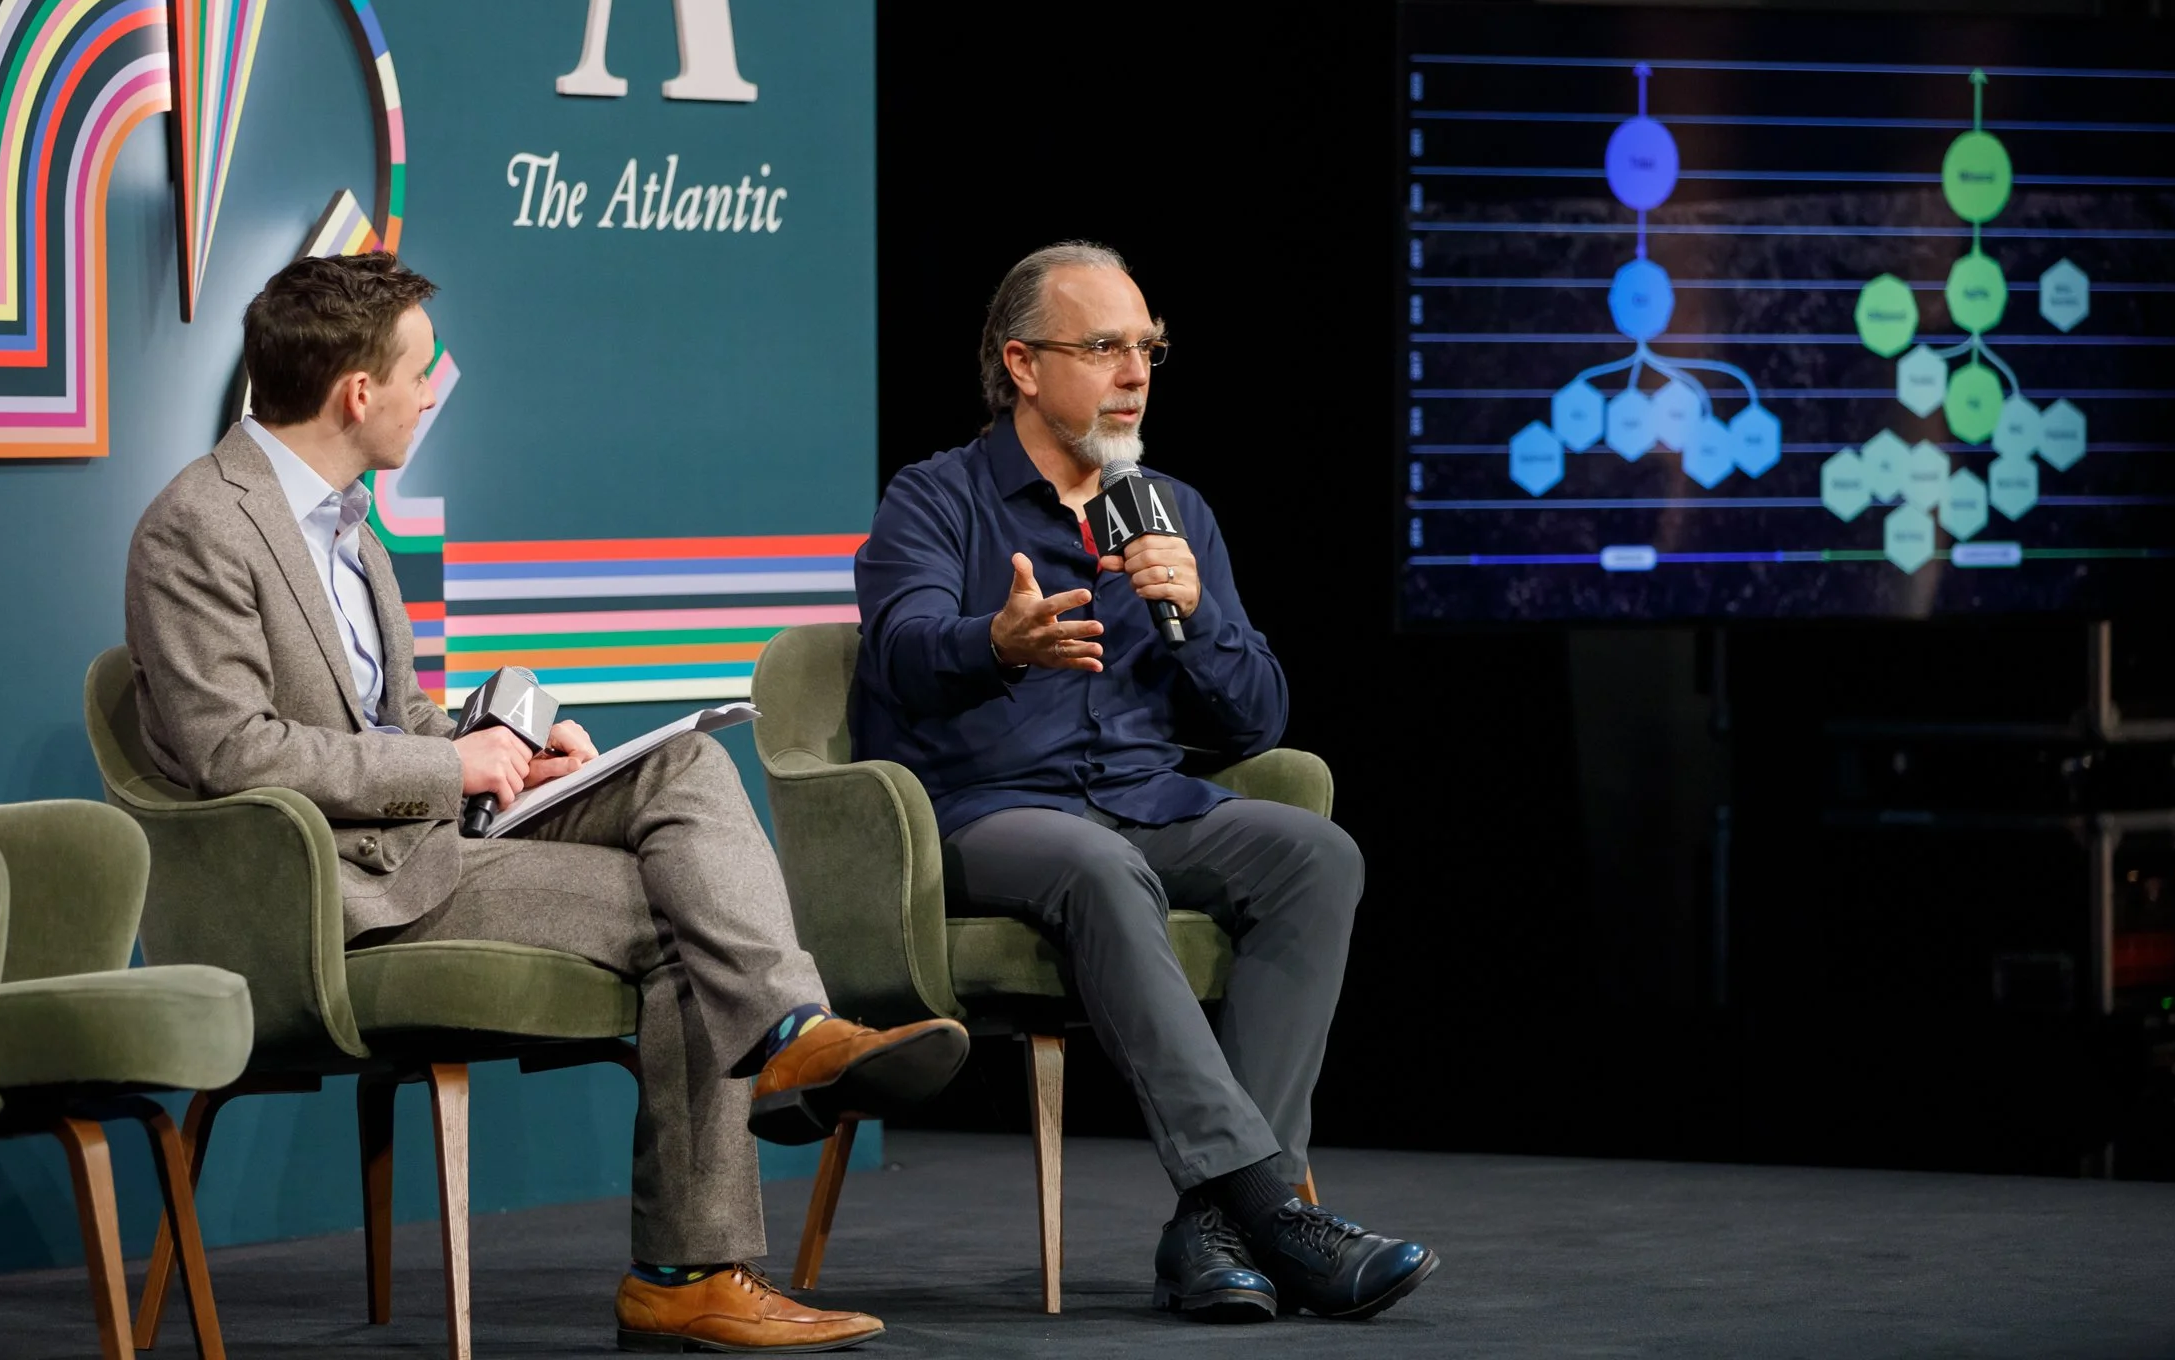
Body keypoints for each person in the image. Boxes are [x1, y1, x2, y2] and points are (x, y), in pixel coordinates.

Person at [126, 250, 966, 1353]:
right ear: (357, 392)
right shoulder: (199, 523)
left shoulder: (348, 527)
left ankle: (795, 1036)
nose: (432, 393)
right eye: (420, 373)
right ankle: (687, 1267)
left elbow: (390, 718)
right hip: (328, 890)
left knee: (683, 767)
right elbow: (233, 753)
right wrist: (451, 770)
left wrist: (508, 751)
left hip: (423, 837)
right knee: (688, 916)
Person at [852, 241, 1435, 1324]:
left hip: (1146, 803)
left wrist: (1199, 614)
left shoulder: (1171, 510)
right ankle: (1273, 1206)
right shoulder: (936, 498)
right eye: (1104, 348)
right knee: (1096, 863)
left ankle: (1214, 1229)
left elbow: (1257, 717)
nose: (1135, 374)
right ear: (1023, 365)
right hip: (988, 812)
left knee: (1317, 855)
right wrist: (997, 641)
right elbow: (898, 650)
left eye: (1148, 349)